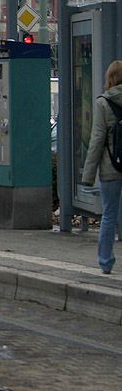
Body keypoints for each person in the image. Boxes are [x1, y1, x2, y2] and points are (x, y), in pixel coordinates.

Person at [81, 60, 122, 275]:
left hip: (111, 168)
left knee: (109, 215)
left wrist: (87, 176)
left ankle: (106, 261)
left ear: (110, 78)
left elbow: (97, 140)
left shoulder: (103, 104)